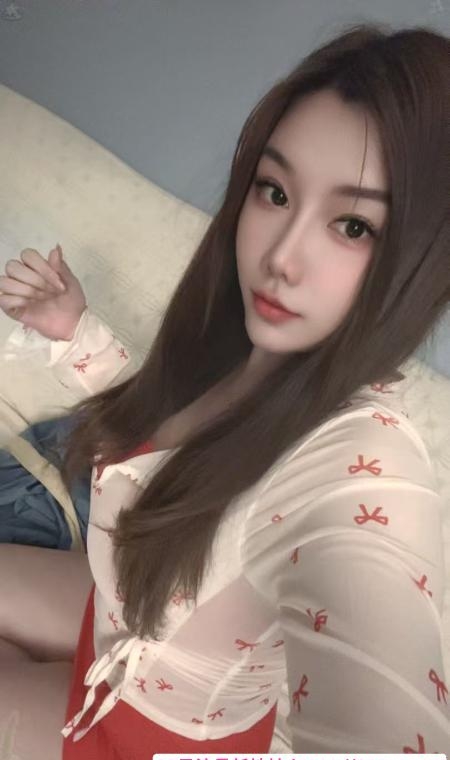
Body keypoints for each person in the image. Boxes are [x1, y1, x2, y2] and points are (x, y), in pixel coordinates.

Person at [0, 20, 449, 760]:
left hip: (145, 734)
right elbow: (157, 428)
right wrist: (73, 331)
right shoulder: (242, 346)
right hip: (108, 614)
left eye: (352, 225)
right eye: (275, 191)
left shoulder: (359, 464)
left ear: (420, 262)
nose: (281, 257)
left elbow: (383, 675)